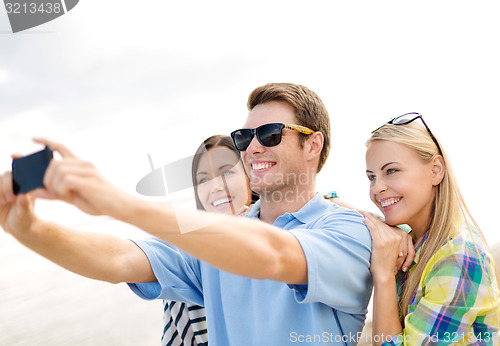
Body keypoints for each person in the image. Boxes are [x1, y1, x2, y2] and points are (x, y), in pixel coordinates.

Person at [0, 83, 385, 345]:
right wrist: (30, 230)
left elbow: (274, 256)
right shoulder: (214, 243)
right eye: (243, 137)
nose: (252, 148)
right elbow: (117, 259)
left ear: (312, 144)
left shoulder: (347, 229)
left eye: (269, 133)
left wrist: (117, 201)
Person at [363, 113, 500, 345]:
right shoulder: (417, 239)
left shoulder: (459, 257)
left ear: (435, 170)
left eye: (392, 171)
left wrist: (384, 274)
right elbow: (329, 202)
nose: (378, 188)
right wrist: (376, 221)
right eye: (371, 177)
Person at [162, 134, 255, 346]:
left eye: (227, 172)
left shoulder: (289, 235)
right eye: (203, 179)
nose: (215, 187)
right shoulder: (189, 265)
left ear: (250, 176)